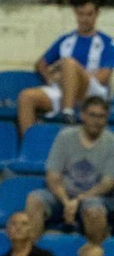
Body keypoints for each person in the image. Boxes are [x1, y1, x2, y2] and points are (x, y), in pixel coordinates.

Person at [17, 0, 114, 132]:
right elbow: (40, 64)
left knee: (68, 63)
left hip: (92, 92)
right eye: (81, 14)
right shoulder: (65, 40)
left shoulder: (107, 42)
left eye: (89, 14)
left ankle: (67, 114)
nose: (84, 19)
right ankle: (29, 147)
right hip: (63, 90)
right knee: (26, 97)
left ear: (97, 14)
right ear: (75, 13)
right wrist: (51, 78)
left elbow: (102, 78)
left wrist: (70, 75)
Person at [27, 95, 114, 243]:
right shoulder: (65, 137)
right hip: (62, 196)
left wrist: (78, 200)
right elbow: (53, 177)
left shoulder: (111, 142)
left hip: (95, 198)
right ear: (83, 115)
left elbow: (107, 184)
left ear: (106, 119)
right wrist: (66, 202)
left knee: (94, 211)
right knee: (35, 200)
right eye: (92, 115)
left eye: (101, 116)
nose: (96, 121)